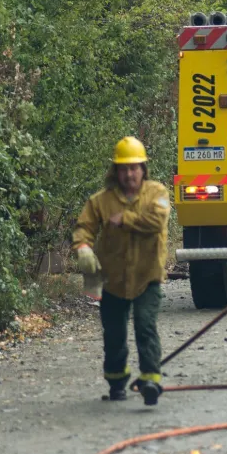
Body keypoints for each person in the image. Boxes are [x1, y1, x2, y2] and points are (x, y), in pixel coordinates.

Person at [72, 136, 171, 406]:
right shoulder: (100, 201)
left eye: (134, 168)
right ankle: (116, 382)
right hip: (112, 279)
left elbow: (156, 220)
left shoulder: (158, 194)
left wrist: (125, 219)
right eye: (124, 169)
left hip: (146, 276)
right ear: (115, 171)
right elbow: (85, 227)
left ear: (143, 169)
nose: (129, 174)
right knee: (113, 332)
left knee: (145, 325)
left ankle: (151, 380)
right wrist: (83, 247)